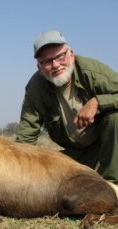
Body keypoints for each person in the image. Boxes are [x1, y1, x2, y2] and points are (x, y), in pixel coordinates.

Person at [16, 30, 118, 182]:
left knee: (115, 116)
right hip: (75, 151)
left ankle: (113, 184)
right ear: (40, 67)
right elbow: (26, 135)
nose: (55, 65)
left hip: (107, 144)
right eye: (47, 61)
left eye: (59, 56)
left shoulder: (92, 71)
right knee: (52, 185)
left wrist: (97, 102)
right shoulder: (35, 88)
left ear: (71, 54)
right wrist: (16, 167)